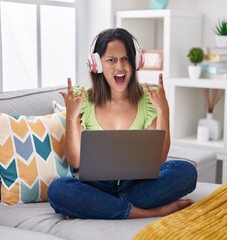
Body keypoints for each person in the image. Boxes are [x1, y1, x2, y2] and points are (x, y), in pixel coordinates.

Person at [47, 28, 197, 219]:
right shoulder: (82, 101)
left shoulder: (148, 99)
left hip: (135, 183)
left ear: (135, 63)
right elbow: (76, 161)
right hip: (95, 184)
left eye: (126, 59)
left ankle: (99, 206)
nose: (120, 66)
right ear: (97, 65)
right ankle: (146, 212)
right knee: (58, 190)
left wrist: (163, 110)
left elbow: (159, 158)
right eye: (111, 60)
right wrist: (71, 116)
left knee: (186, 172)